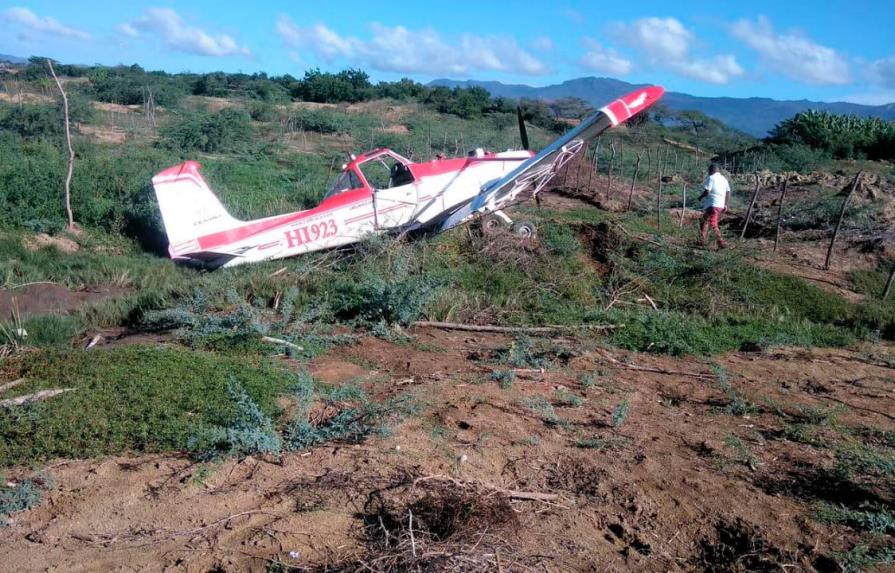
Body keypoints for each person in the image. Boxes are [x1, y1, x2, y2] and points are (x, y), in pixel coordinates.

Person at [698, 164, 731, 248]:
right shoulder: (724, 179)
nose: (708, 172)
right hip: (720, 205)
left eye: (709, 171)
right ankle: (702, 240)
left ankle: (721, 242)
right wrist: (726, 204)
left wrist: (700, 197)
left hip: (713, 204)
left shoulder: (711, 178)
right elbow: (728, 192)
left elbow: (707, 191)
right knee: (704, 220)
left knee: (713, 223)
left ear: (711, 170)